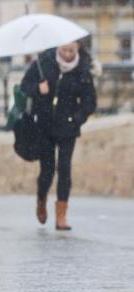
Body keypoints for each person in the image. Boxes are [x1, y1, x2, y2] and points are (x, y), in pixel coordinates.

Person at [21, 42, 97, 230]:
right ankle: (41, 199)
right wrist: (39, 89)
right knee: (47, 171)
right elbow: (24, 87)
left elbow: (89, 102)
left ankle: (61, 216)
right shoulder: (43, 63)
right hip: (44, 126)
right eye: (64, 50)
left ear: (77, 48)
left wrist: (76, 119)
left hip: (68, 127)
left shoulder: (83, 70)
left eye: (71, 50)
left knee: (64, 169)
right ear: (58, 49)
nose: (67, 54)